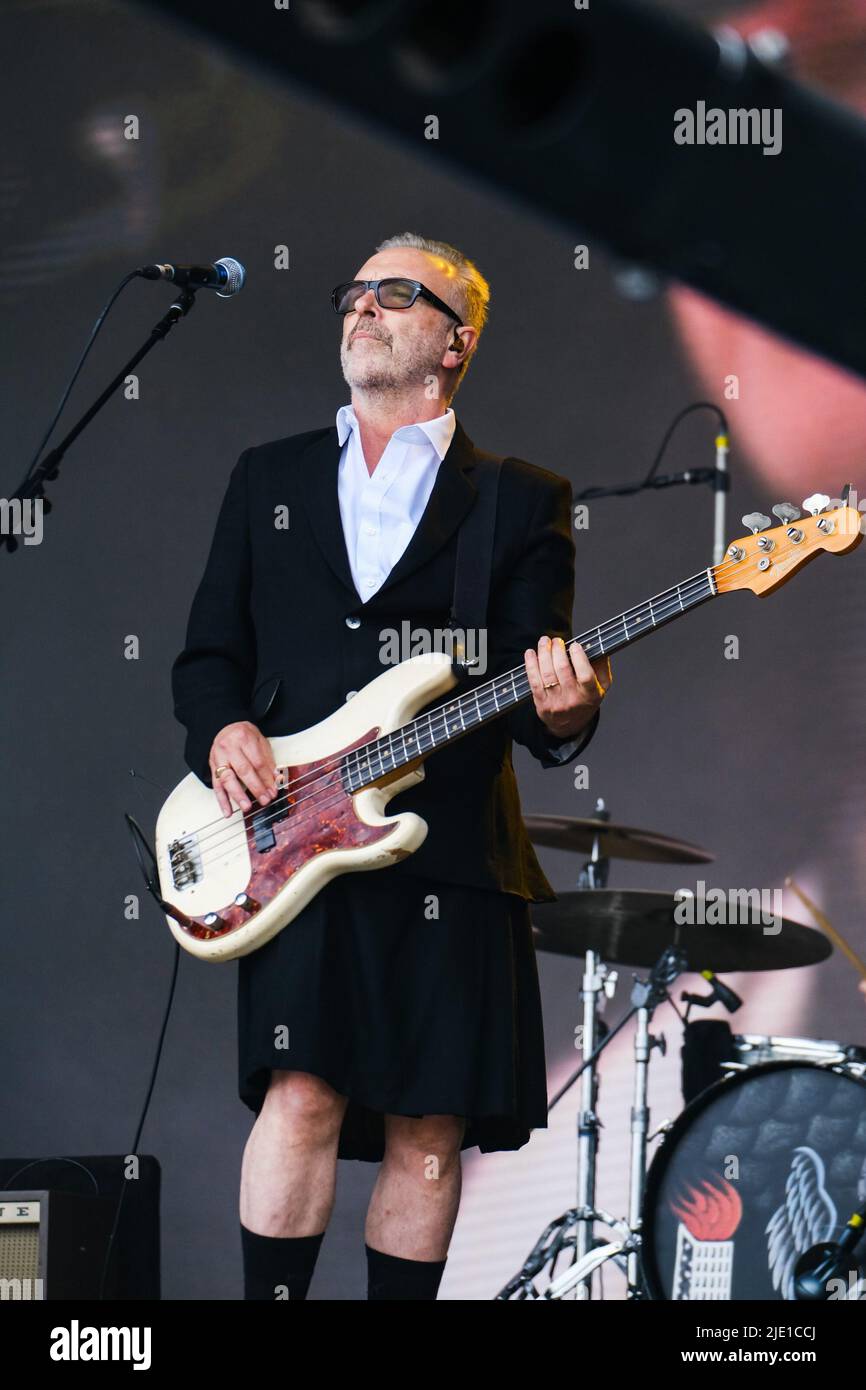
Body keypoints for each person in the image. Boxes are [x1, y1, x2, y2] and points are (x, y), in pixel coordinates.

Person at [172, 233, 611, 1301]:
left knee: (427, 1127)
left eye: (394, 294)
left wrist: (564, 710)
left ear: (453, 343)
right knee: (302, 1093)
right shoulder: (266, 476)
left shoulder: (519, 498)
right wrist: (221, 729)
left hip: (450, 846)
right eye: (352, 292)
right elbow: (206, 659)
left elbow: (532, 690)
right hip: (291, 832)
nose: (360, 308)